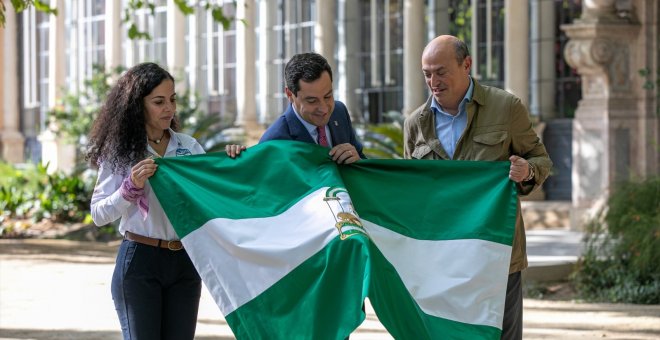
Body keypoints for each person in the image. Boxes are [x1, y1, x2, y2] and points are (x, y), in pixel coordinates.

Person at [403, 35, 552, 340]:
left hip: (496, 254)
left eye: (441, 71)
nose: (433, 81)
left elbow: (540, 159)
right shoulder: (415, 123)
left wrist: (527, 171)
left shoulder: (506, 107)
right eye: (427, 73)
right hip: (441, 256)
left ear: (467, 65)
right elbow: (412, 188)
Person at [87, 62, 205, 340]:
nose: (169, 108)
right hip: (140, 261)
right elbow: (98, 213)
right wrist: (130, 188)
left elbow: (210, 195)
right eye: (159, 102)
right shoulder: (121, 152)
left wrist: (234, 159)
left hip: (186, 262)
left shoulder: (189, 147)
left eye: (173, 99)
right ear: (137, 105)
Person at [226, 52, 364, 163]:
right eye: (312, 101)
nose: (324, 108)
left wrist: (357, 161)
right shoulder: (275, 140)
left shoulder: (339, 111)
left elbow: (365, 167)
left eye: (328, 96)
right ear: (290, 94)